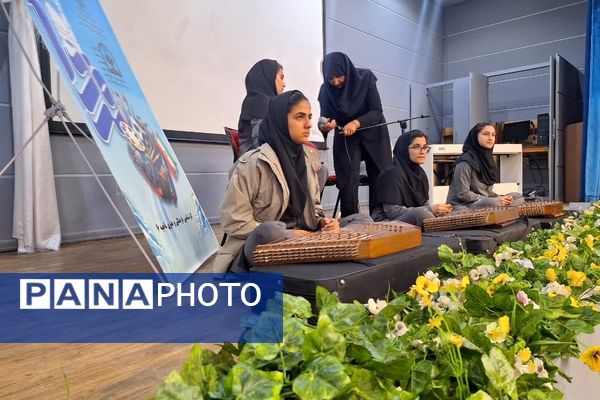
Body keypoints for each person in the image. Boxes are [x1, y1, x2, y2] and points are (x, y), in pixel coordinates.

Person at [212, 90, 367, 273]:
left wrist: (322, 223)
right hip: (263, 244)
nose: (309, 124)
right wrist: (289, 233)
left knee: (362, 218)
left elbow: (315, 209)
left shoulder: (308, 162)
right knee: (269, 231)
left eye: (309, 117)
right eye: (300, 117)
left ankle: (315, 260)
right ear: (280, 120)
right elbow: (234, 220)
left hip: (305, 236)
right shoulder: (253, 164)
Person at [317, 52, 392, 217]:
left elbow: (376, 111)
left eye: (339, 76)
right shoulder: (325, 90)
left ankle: (379, 217)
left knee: (379, 175)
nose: (335, 82)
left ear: (347, 71)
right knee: (347, 179)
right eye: (330, 78)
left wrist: (356, 123)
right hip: (346, 136)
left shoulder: (365, 78)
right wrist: (325, 126)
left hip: (374, 132)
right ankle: (351, 219)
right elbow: (324, 119)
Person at [372, 130, 453, 227]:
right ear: (404, 149)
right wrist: (430, 210)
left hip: (410, 217)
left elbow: (424, 204)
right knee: (423, 215)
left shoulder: (420, 174)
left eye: (425, 147)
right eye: (416, 147)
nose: (422, 151)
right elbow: (392, 212)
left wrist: (438, 211)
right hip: (386, 221)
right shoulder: (391, 173)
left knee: (454, 210)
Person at [446, 122, 524, 208]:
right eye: (486, 134)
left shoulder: (487, 160)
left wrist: (500, 198)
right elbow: (463, 194)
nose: (490, 138)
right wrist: (493, 200)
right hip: (464, 204)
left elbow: (488, 192)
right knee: (494, 204)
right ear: (475, 136)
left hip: (485, 201)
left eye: (493, 135)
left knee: (517, 196)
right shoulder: (465, 162)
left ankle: (501, 207)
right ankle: (501, 208)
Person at [237, 59, 285, 156]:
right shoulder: (260, 102)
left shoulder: (262, 101)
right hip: (255, 163)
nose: (284, 84)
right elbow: (262, 144)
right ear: (269, 77)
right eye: (281, 77)